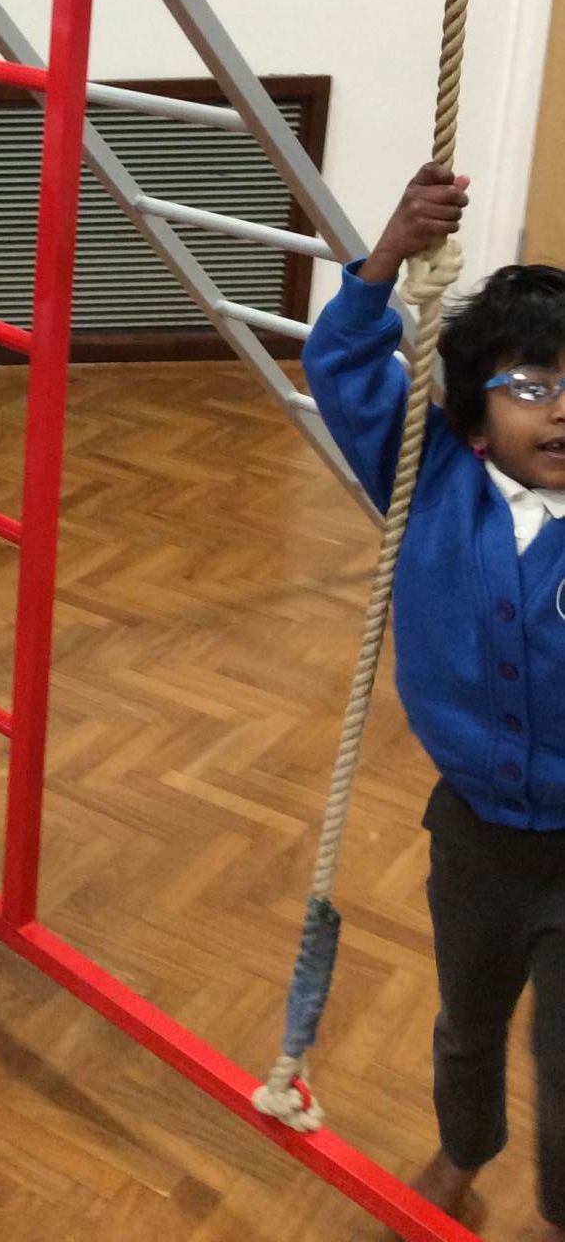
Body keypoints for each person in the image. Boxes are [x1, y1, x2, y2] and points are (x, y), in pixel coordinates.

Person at [302, 162, 565, 1240]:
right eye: (531, 386)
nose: (562, 410)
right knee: (468, 1023)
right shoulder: (431, 483)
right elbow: (342, 363)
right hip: (475, 836)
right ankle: (465, 1150)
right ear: (473, 416)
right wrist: (389, 255)